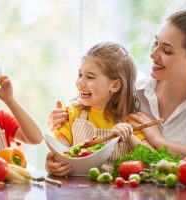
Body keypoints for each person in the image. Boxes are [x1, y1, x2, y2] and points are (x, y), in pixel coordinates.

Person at [48, 10, 186, 161]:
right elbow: (86, 111)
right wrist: (60, 123)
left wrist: (159, 142)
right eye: (155, 43)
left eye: (167, 50)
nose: (153, 54)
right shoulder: (132, 92)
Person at [46, 42, 152, 176]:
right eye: (80, 75)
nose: (80, 82)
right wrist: (51, 165)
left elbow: (151, 160)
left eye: (90, 77)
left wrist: (129, 137)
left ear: (115, 85)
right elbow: (60, 154)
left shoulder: (130, 121)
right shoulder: (72, 114)